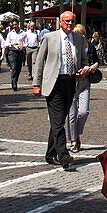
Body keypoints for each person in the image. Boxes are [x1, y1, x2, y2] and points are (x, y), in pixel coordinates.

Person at [33, 12, 89, 168]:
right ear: (60, 22)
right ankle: (63, 154)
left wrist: (84, 69)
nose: (69, 24)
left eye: (72, 21)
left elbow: (84, 60)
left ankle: (50, 154)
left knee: (59, 120)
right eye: (66, 21)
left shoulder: (79, 39)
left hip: (70, 82)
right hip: (53, 83)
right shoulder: (50, 38)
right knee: (57, 119)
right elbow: (39, 61)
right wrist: (36, 84)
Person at [65, 24, 100, 152]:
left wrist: (92, 67)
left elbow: (96, 61)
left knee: (84, 112)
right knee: (72, 113)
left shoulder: (89, 46)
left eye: (82, 34)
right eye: (77, 34)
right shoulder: (71, 46)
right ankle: (73, 140)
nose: (80, 36)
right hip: (72, 82)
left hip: (85, 81)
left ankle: (77, 134)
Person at [5, 18, 27, 91]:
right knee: (14, 67)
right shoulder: (10, 34)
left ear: (18, 24)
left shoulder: (23, 33)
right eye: (13, 25)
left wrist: (23, 46)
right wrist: (12, 44)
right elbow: (6, 43)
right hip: (12, 52)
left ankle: (15, 80)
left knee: (18, 68)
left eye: (15, 24)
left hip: (20, 52)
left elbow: (26, 43)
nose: (14, 26)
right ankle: (14, 83)